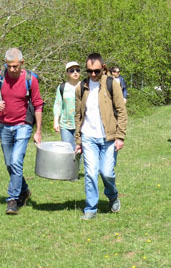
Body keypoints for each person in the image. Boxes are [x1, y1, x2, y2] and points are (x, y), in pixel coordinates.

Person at [0, 48, 44, 215]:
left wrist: (38, 130)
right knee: (10, 163)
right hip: (4, 126)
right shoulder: (0, 77)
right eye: (9, 66)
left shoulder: (30, 79)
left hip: (23, 125)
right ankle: (24, 190)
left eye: (15, 66)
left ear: (22, 63)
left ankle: (12, 200)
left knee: (16, 161)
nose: (12, 69)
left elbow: (38, 104)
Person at [74, 53, 127, 220]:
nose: (93, 74)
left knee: (106, 172)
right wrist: (78, 140)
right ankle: (90, 208)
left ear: (103, 68)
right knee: (90, 172)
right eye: (89, 71)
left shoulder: (112, 84)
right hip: (88, 137)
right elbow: (78, 115)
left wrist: (120, 136)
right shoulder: (81, 87)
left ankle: (112, 196)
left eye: (96, 71)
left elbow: (121, 111)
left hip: (109, 138)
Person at [53, 61, 81, 147]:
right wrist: (56, 122)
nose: (75, 72)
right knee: (67, 150)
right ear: (67, 73)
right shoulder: (62, 87)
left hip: (81, 124)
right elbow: (58, 104)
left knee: (79, 152)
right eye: (72, 70)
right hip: (65, 125)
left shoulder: (84, 86)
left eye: (77, 70)